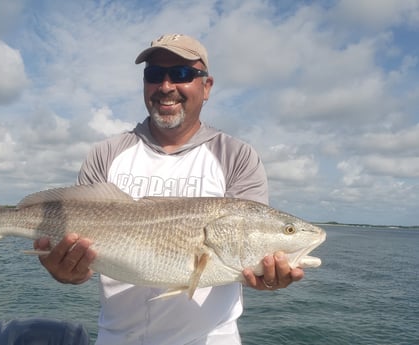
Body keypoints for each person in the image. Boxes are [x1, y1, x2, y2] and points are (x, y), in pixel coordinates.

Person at [34, 33, 304, 345]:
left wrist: (265, 278)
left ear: (207, 87)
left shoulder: (236, 157)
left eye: (181, 74)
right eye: (153, 74)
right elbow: (83, 261)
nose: (165, 86)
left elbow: (247, 256)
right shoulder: (105, 154)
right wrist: (68, 271)